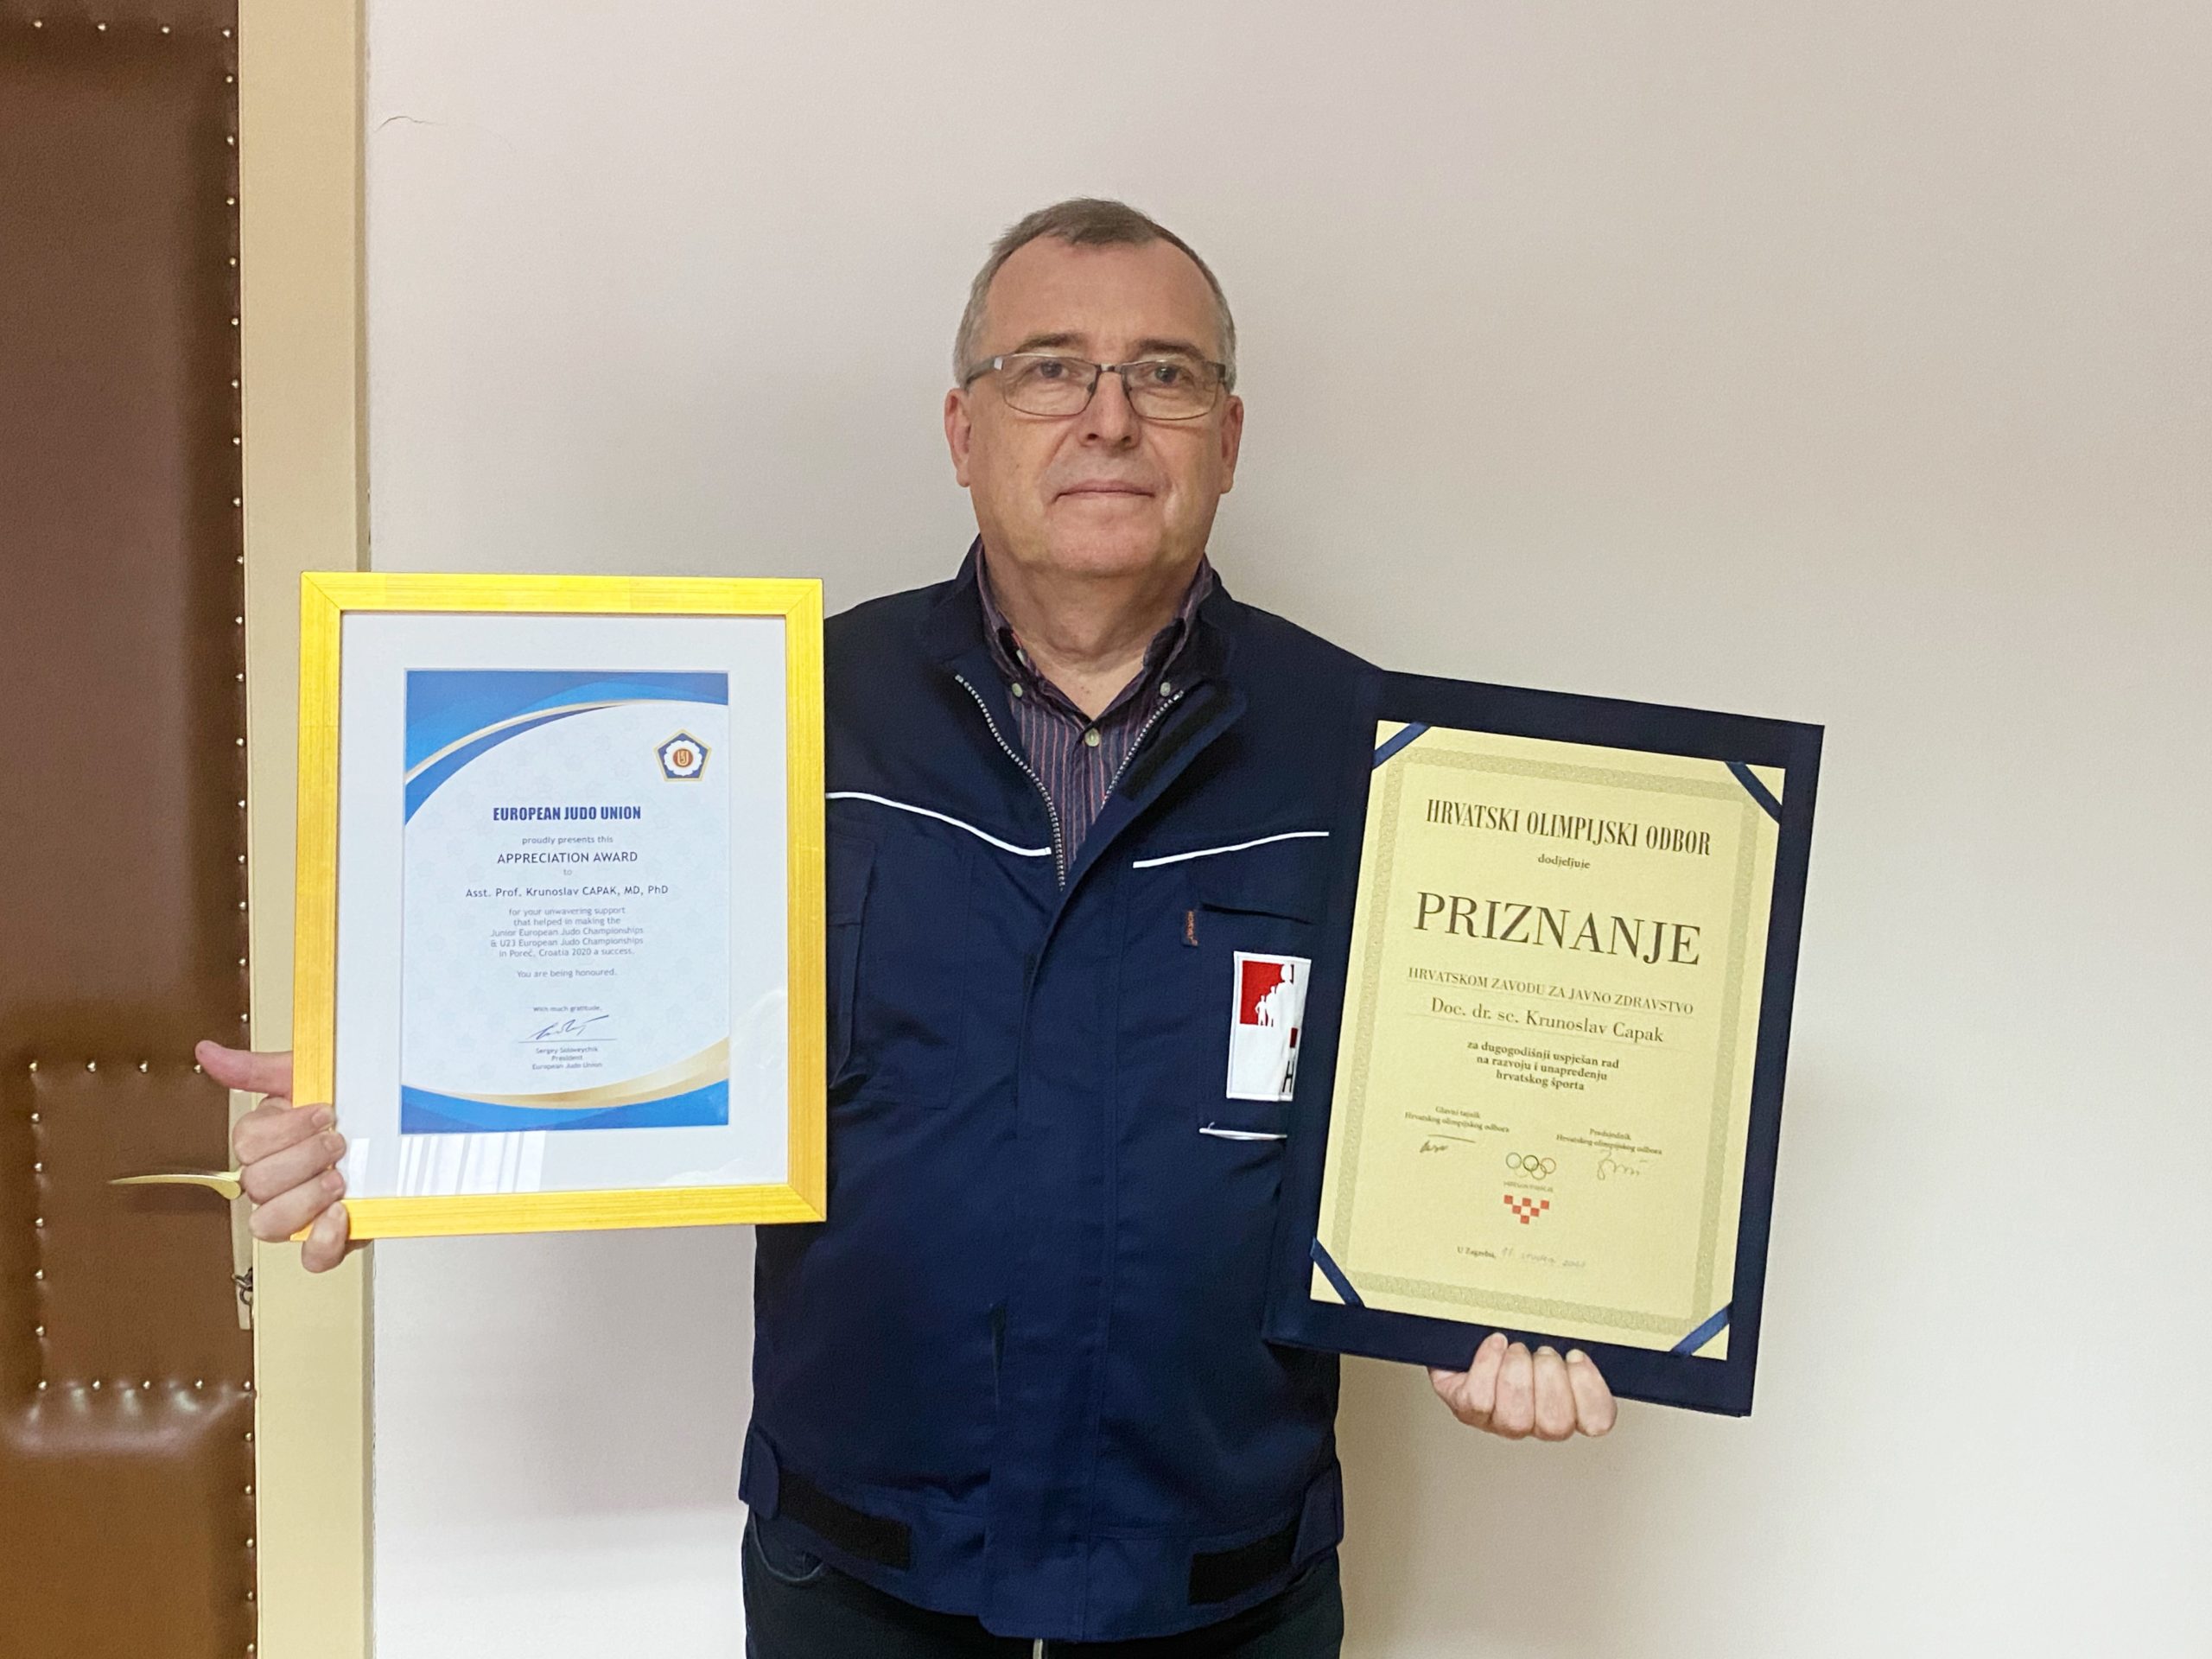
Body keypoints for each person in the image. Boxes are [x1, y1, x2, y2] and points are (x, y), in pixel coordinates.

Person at [207, 198, 1617, 1658]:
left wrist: (1519, 1292)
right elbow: (595, 992)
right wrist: (392, 1100)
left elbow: (1477, 1116)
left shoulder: (1376, 756)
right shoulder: (781, 720)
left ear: (1230, 436)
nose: (1110, 417)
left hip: (1226, 1593)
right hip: (858, 1583)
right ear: (963, 430)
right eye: (1050, 368)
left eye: (1166, 374)